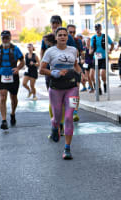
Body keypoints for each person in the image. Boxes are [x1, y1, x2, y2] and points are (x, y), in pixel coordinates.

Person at [40, 27, 82, 159]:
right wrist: (54, 72)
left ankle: (67, 148)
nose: (63, 37)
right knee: (58, 116)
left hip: (72, 86)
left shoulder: (73, 50)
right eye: (60, 35)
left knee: (69, 117)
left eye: (65, 35)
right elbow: (41, 69)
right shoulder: (50, 51)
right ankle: (54, 125)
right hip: (56, 87)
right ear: (56, 37)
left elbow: (75, 65)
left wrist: (82, 74)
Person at [41, 15, 75, 135]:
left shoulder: (68, 37)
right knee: (54, 101)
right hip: (51, 73)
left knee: (65, 101)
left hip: (67, 75)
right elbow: (42, 53)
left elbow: (74, 53)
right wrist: (44, 67)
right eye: (53, 26)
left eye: (57, 25)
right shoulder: (46, 39)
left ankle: (62, 123)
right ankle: (55, 124)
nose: (55, 28)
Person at [0, 30, 24, 129]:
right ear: (1, 39)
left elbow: (22, 61)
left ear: (10, 38)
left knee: (13, 98)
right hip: (1, 75)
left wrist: (18, 68)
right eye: (3, 38)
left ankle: (12, 113)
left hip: (13, 75)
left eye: (7, 38)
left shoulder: (15, 49)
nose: (5, 40)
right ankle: (4, 120)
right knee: (2, 97)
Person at [67, 24, 85, 122]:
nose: (72, 34)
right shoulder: (64, 41)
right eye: (70, 32)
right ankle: (67, 110)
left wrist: (82, 59)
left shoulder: (78, 41)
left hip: (76, 67)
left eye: (74, 32)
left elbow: (82, 53)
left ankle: (74, 112)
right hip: (66, 69)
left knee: (75, 90)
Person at [90, 24, 114, 95]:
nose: (97, 30)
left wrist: (110, 50)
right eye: (96, 29)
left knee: (102, 74)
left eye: (99, 29)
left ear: (101, 29)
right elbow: (91, 47)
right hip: (96, 58)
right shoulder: (93, 37)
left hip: (104, 58)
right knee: (94, 75)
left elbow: (112, 44)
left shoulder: (105, 36)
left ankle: (105, 83)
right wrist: (91, 51)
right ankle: (99, 88)